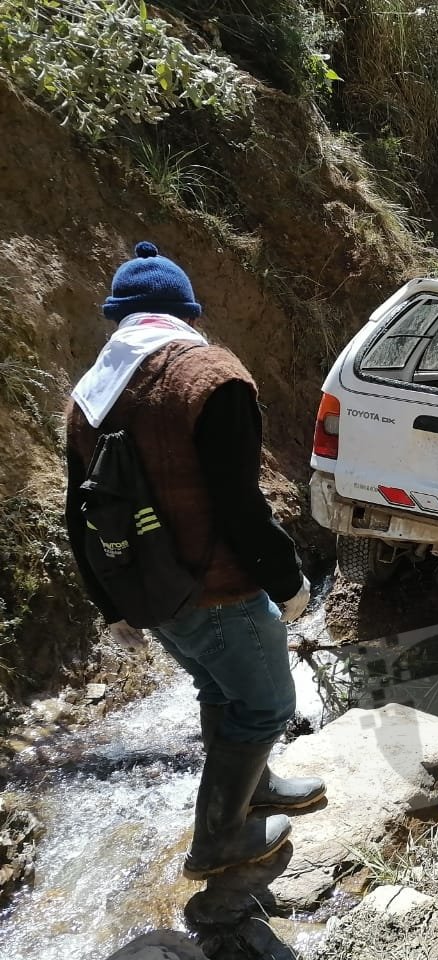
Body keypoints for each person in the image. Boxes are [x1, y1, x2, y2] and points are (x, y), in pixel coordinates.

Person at [64, 242, 323, 880]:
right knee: (264, 706)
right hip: (219, 590)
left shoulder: (90, 395)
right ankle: (218, 840)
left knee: (219, 689)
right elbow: (239, 503)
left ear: (120, 320)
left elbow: (79, 511)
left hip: (153, 592)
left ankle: (254, 787)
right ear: (185, 314)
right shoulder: (211, 378)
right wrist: (287, 581)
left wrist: (109, 605)